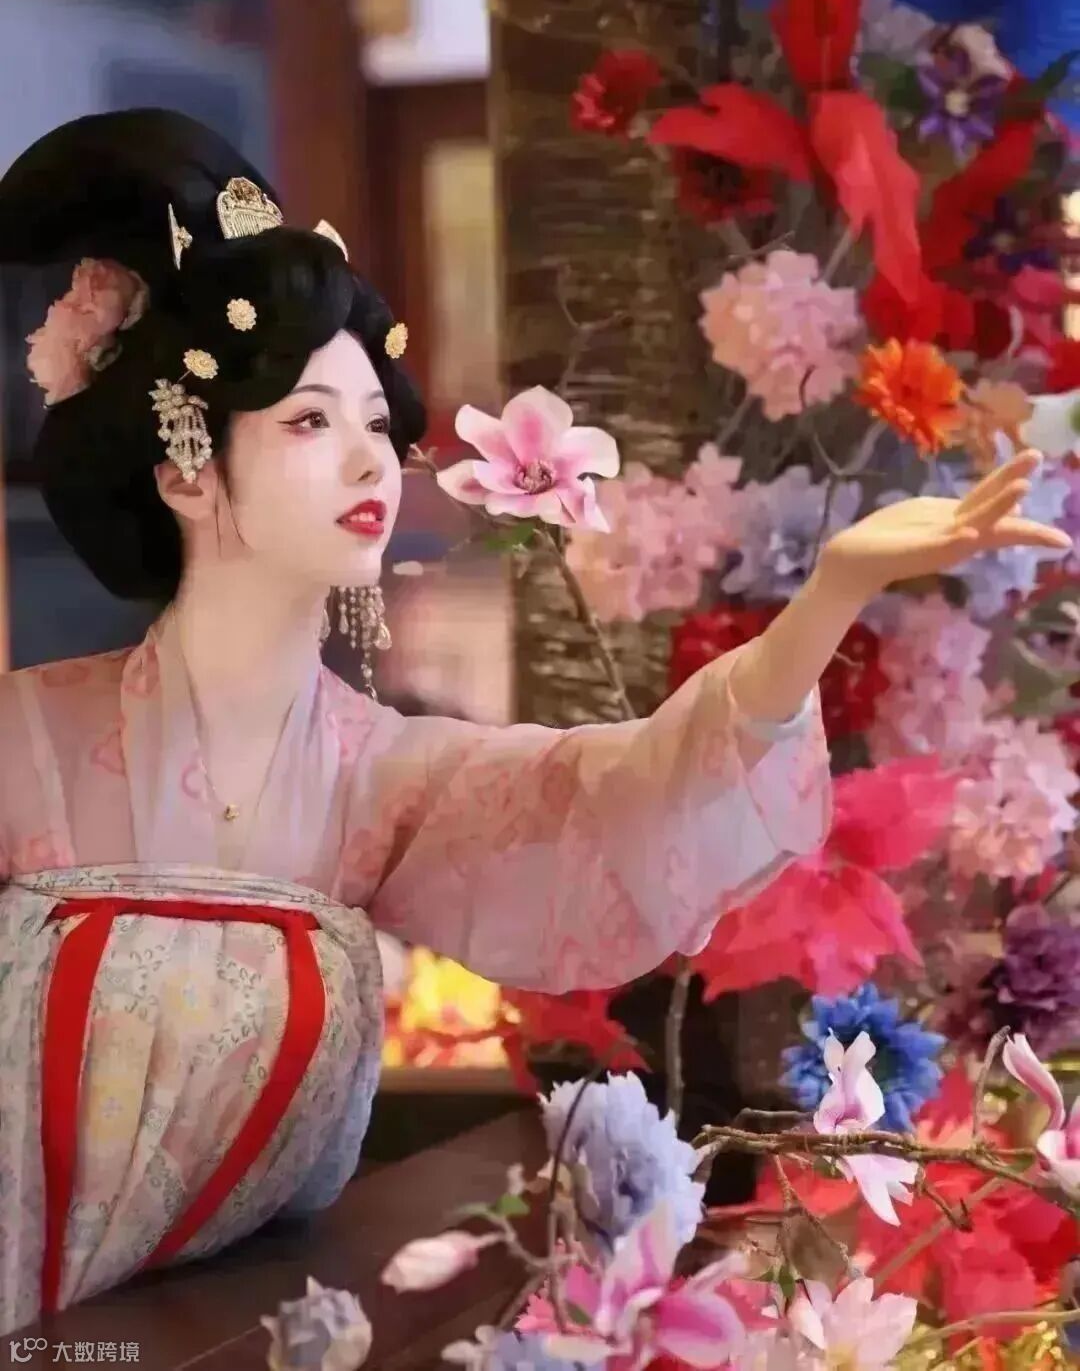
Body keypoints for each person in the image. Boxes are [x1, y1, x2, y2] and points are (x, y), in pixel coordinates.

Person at [0, 111, 1067, 1333]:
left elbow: (624, 792)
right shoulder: (25, 742)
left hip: (223, 1331)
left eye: (374, 422)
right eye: (309, 421)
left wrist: (832, 592)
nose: (371, 460)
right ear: (188, 466)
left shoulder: (372, 780)